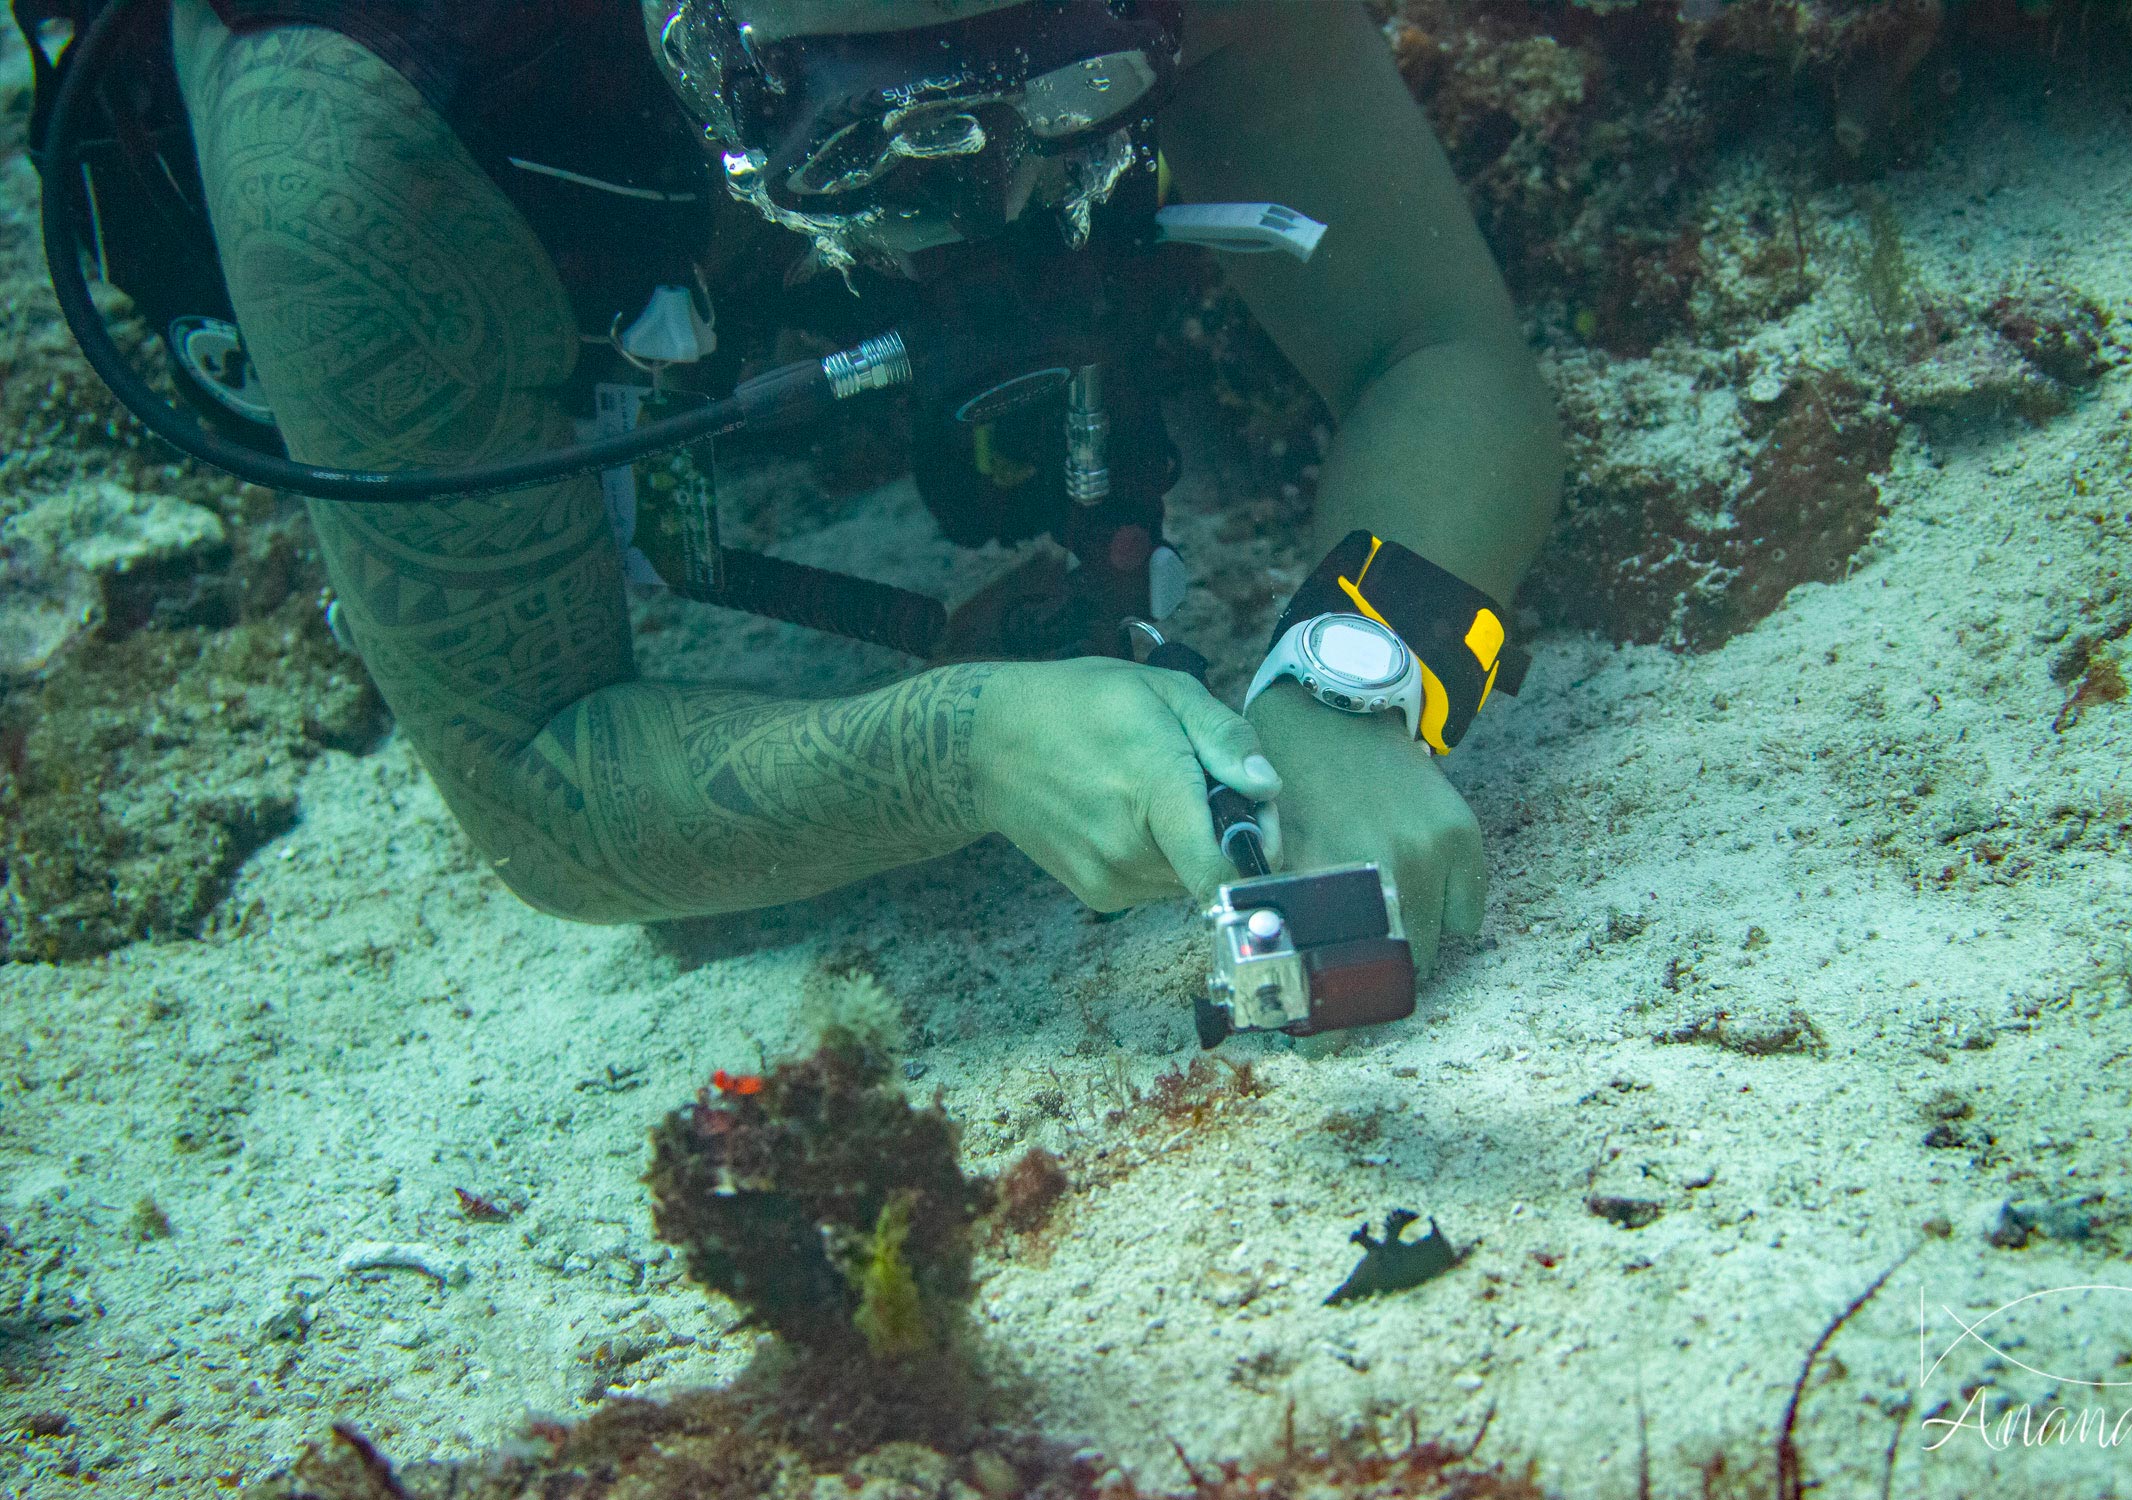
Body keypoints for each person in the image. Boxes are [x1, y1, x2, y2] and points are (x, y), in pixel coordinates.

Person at [167, 0, 1563, 968]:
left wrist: (1355, 689)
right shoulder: (352, 145)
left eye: (1076, 76)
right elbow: (530, 782)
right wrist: (959, 750)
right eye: (865, 129)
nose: (997, 175)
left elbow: (1432, 346)